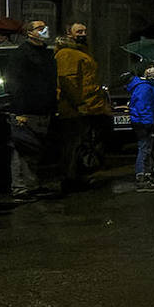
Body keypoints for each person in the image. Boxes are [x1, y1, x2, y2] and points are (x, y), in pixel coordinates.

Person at [0, 21, 59, 200]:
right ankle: (20, 189)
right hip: (26, 110)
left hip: (42, 109)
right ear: (29, 33)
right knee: (21, 150)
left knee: (34, 152)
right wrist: (19, 111)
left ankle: (32, 185)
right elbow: (15, 83)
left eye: (45, 27)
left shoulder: (47, 54)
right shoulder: (21, 54)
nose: (44, 30)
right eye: (40, 28)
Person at [54, 22, 113, 190]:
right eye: (79, 31)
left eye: (85, 30)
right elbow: (68, 81)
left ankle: (78, 176)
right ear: (69, 33)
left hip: (87, 107)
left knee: (82, 144)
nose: (83, 33)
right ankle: (71, 179)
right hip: (75, 109)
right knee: (74, 145)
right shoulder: (67, 53)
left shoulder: (80, 52)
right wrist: (78, 103)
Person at [125, 64, 154, 192]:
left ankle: (146, 175)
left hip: (142, 120)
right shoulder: (145, 87)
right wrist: (149, 122)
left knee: (146, 148)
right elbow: (143, 106)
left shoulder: (146, 86)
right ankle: (142, 178)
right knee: (145, 148)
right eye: (150, 67)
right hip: (144, 121)